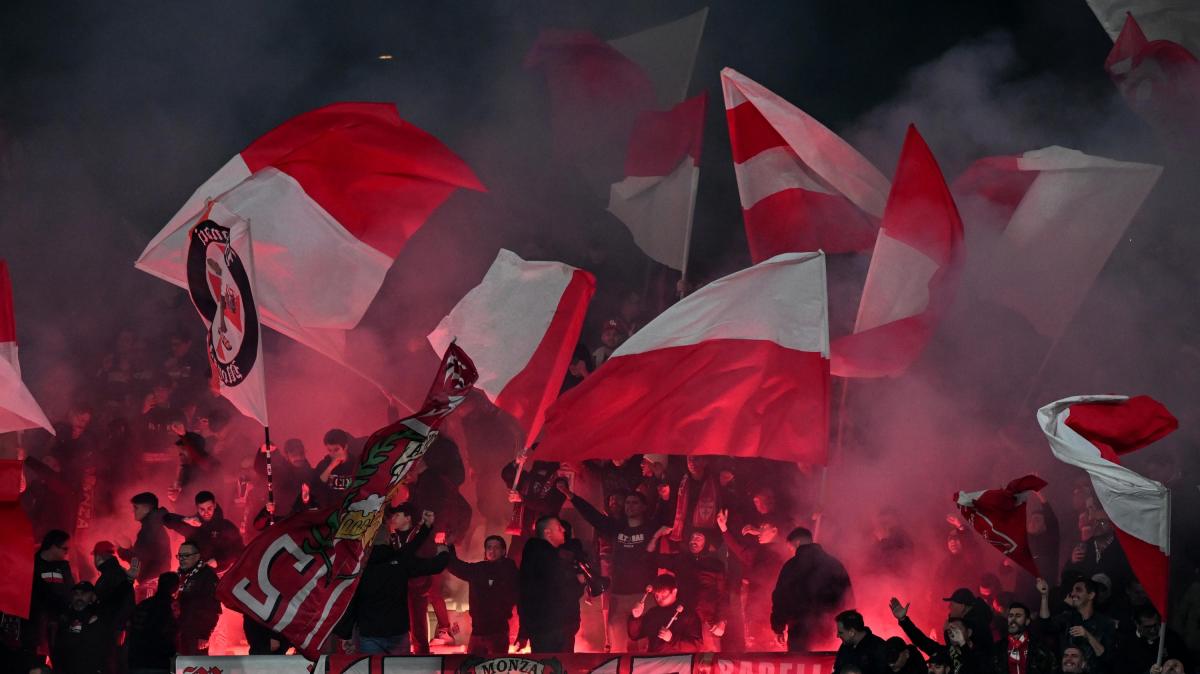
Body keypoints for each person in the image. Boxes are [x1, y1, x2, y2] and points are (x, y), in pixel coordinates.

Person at [562, 483, 665, 652]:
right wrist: (571, 496)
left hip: (644, 596)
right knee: (617, 647)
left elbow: (668, 515)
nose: (630, 506)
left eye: (635, 503)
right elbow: (593, 516)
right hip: (619, 595)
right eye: (628, 503)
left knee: (644, 649)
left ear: (644, 507)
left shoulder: (650, 527)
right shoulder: (617, 527)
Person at [338, 510, 450, 655]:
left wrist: (346, 634)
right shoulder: (399, 560)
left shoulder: (358, 565)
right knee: (399, 667)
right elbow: (433, 565)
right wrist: (444, 551)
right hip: (397, 632)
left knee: (373, 667)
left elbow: (351, 601)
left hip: (370, 633)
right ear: (387, 538)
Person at [771, 526, 853, 652]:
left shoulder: (791, 566)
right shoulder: (834, 564)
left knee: (801, 663)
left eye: (790, 548)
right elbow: (848, 598)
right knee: (827, 662)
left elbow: (781, 599)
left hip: (800, 631)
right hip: (830, 630)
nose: (791, 552)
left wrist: (778, 628)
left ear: (797, 543)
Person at [651, 529, 727, 650]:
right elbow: (651, 558)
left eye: (698, 538)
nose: (693, 540)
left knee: (708, 657)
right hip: (684, 618)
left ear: (706, 542)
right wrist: (657, 536)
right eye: (692, 537)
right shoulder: (681, 560)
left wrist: (722, 620)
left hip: (707, 621)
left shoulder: (716, 565)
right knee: (682, 651)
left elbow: (723, 594)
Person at [517, 516, 584, 653]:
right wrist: (579, 582)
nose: (563, 530)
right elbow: (563, 593)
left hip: (547, 628)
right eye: (559, 528)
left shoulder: (536, 555)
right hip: (552, 629)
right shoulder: (548, 557)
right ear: (548, 533)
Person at [447, 535, 519, 655]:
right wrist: (449, 546)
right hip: (478, 631)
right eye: (489, 547)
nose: (492, 551)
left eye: (496, 548)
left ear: (503, 551)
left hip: (498, 632)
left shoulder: (510, 571)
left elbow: (517, 596)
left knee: (495, 665)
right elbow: (456, 567)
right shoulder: (479, 569)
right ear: (485, 551)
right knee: (472, 664)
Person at [22, 530, 74, 669]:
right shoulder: (32, 564)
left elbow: (70, 592)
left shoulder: (64, 566)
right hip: (37, 626)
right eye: (64, 548)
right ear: (53, 546)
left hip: (60, 624)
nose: (67, 552)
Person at [1038, 577, 1115, 669]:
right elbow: (1045, 626)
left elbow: (1107, 658)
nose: (1073, 594)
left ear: (1091, 595)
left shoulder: (1105, 623)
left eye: (1078, 590)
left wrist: (1088, 636)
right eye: (1072, 590)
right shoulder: (1067, 617)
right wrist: (1044, 596)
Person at [162, 490, 244, 573]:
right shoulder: (193, 524)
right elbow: (165, 519)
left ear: (215, 505)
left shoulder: (226, 526)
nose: (206, 513)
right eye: (202, 509)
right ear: (197, 508)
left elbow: (239, 550)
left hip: (220, 572)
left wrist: (218, 560)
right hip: (197, 572)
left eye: (209, 508)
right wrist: (184, 519)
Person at [628, 574, 703, 653]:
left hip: (677, 659)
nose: (659, 599)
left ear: (674, 591)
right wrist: (635, 618)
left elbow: (696, 646)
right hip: (654, 658)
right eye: (656, 596)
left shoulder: (688, 614)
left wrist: (672, 639)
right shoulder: (653, 613)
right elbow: (635, 636)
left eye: (663, 595)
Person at [51, 582, 114, 674]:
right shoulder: (64, 617)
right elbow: (58, 647)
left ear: (92, 596)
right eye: (76, 593)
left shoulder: (99, 616)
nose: (79, 596)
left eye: (84, 593)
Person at [91, 541, 134, 671]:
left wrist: (117, 627)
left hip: (112, 629)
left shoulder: (110, 575)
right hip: (116, 628)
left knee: (110, 662)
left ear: (98, 557)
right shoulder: (116, 572)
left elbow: (118, 603)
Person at [118, 492, 170, 601]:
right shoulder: (153, 526)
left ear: (146, 509)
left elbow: (138, 560)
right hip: (155, 583)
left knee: (147, 611)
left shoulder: (150, 529)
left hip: (150, 585)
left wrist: (122, 550)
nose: (133, 511)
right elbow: (145, 556)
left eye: (136, 507)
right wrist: (129, 548)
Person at [127, 572, 179, 674]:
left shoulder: (143, 604)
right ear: (175, 587)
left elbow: (132, 627)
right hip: (160, 661)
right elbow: (173, 633)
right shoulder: (173, 606)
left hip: (137, 660)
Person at [175, 539, 221, 655]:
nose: (182, 559)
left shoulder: (207, 575)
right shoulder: (180, 575)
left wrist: (204, 634)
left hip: (196, 634)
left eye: (186, 555)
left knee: (196, 664)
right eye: (180, 556)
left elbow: (213, 608)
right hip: (180, 632)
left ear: (197, 556)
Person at [1117, 605, 1190, 674]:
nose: (1153, 630)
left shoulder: (1172, 639)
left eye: (1155, 625)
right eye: (1147, 627)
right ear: (1137, 625)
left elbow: (1187, 664)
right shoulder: (1127, 643)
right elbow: (1120, 669)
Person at [993, 601, 1054, 674]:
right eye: (1010, 616)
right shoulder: (998, 648)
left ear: (1027, 621)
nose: (1013, 619)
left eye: (1018, 616)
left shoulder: (1039, 647)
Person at [832, 610, 887, 674]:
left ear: (852, 632)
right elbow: (837, 670)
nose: (837, 635)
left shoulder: (878, 647)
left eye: (840, 632)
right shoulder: (845, 646)